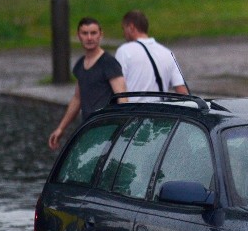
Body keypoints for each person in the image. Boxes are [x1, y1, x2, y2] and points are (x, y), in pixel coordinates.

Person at [48, 17, 127, 150]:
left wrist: (124, 130)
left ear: (101, 35)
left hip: (107, 131)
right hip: (88, 129)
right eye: (85, 33)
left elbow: (122, 97)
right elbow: (77, 99)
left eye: (93, 33)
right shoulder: (80, 65)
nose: (89, 38)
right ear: (79, 36)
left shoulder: (109, 63)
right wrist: (61, 128)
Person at [115, 10, 189, 101]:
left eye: (123, 29)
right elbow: (182, 92)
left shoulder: (124, 51)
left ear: (131, 27)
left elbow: (118, 88)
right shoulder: (168, 53)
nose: (123, 34)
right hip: (159, 112)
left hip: (133, 112)